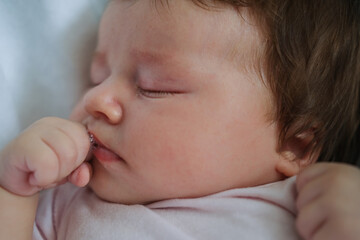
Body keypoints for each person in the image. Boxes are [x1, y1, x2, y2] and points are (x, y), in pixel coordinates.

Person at [0, 0, 359, 239]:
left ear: (294, 144)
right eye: (98, 76)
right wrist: (16, 190)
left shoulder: (310, 205)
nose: (95, 99)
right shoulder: (68, 199)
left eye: (155, 87)